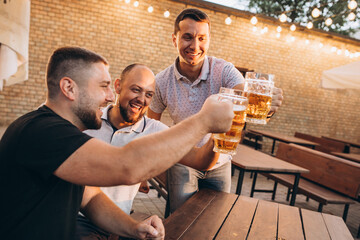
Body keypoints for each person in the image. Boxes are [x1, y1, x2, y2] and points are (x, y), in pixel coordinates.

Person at [0, 46, 235, 240]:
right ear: (69, 88)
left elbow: (90, 198)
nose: (110, 97)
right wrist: (204, 121)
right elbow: (127, 166)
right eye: (103, 86)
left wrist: (134, 228)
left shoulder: (61, 132)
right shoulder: (43, 131)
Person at [148, 8, 284, 213]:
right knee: (180, 219)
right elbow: (151, 127)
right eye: (187, 37)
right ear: (174, 40)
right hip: (183, 160)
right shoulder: (161, 81)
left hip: (219, 161)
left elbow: (243, 93)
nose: (195, 46)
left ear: (209, 40)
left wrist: (264, 104)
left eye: (202, 38)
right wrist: (150, 170)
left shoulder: (224, 70)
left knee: (214, 220)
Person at [77, 63, 221, 239]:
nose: (141, 99)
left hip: (120, 223)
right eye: (136, 90)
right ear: (117, 86)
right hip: (80, 218)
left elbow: (200, 161)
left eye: (149, 94)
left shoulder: (155, 131)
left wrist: (220, 134)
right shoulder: (90, 119)